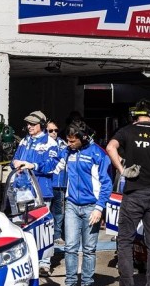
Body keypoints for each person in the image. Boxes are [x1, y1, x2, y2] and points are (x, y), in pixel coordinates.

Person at [105, 99, 150, 286]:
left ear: (134, 115)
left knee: (125, 241)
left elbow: (110, 147)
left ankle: (127, 283)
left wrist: (123, 172)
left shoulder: (127, 131)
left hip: (133, 194)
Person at [61, 120, 113, 286]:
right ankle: (70, 282)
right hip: (71, 205)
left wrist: (99, 208)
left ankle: (87, 283)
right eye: (67, 140)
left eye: (72, 140)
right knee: (70, 247)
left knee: (89, 249)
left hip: (92, 207)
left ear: (82, 137)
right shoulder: (68, 151)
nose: (68, 143)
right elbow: (52, 165)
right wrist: (31, 164)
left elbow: (107, 184)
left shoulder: (98, 154)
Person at [11, 110, 60, 276]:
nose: (29, 126)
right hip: (22, 190)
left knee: (42, 228)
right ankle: (27, 260)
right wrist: (15, 163)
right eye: (28, 123)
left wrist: (33, 166)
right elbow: (14, 159)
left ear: (42, 125)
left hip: (41, 191)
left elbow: (52, 165)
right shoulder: (24, 141)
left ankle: (44, 263)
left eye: (33, 123)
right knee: (23, 227)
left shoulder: (50, 143)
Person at [47, 120, 68, 246]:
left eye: (55, 130)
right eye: (50, 130)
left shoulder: (63, 144)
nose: (54, 133)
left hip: (60, 184)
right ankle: (46, 236)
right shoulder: (42, 144)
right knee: (46, 211)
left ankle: (57, 235)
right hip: (46, 184)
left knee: (59, 212)